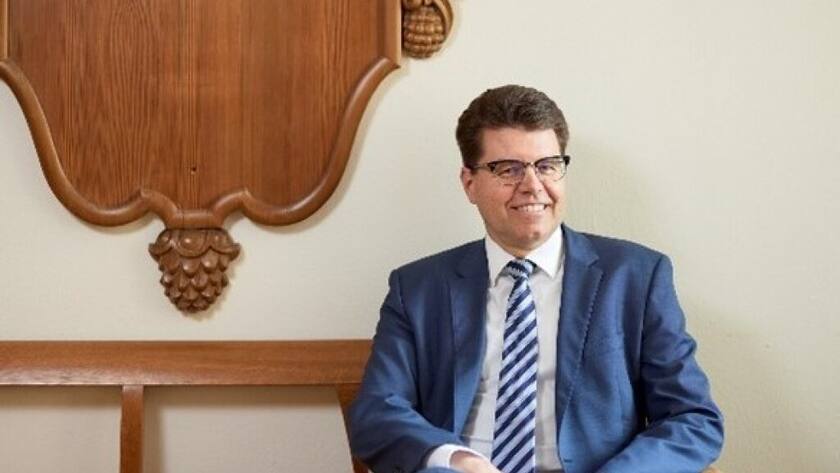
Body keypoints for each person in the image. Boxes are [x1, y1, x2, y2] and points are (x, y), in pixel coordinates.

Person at [349, 85, 723, 473]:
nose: (532, 185)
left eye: (547, 165)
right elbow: (377, 413)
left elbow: (692, 419)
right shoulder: (417, 288)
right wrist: (456, 459)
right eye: (508, 169)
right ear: (469, 183)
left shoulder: (636, 277)